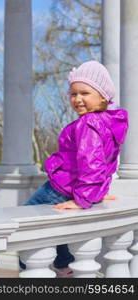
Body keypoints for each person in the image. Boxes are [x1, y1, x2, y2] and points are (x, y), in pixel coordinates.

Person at [20, 60, 129, 277]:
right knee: (58, 232)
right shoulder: (109, 122)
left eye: (85, 93)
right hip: (74, 188)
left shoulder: (88, 124)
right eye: (73, 94)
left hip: (58, 189)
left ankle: (35, 270)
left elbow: (92, 163)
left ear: (103, 96)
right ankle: (63, 265)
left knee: (23, 229)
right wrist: (99, 192)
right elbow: (108, 161)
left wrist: (83, 198)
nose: (77, 99)